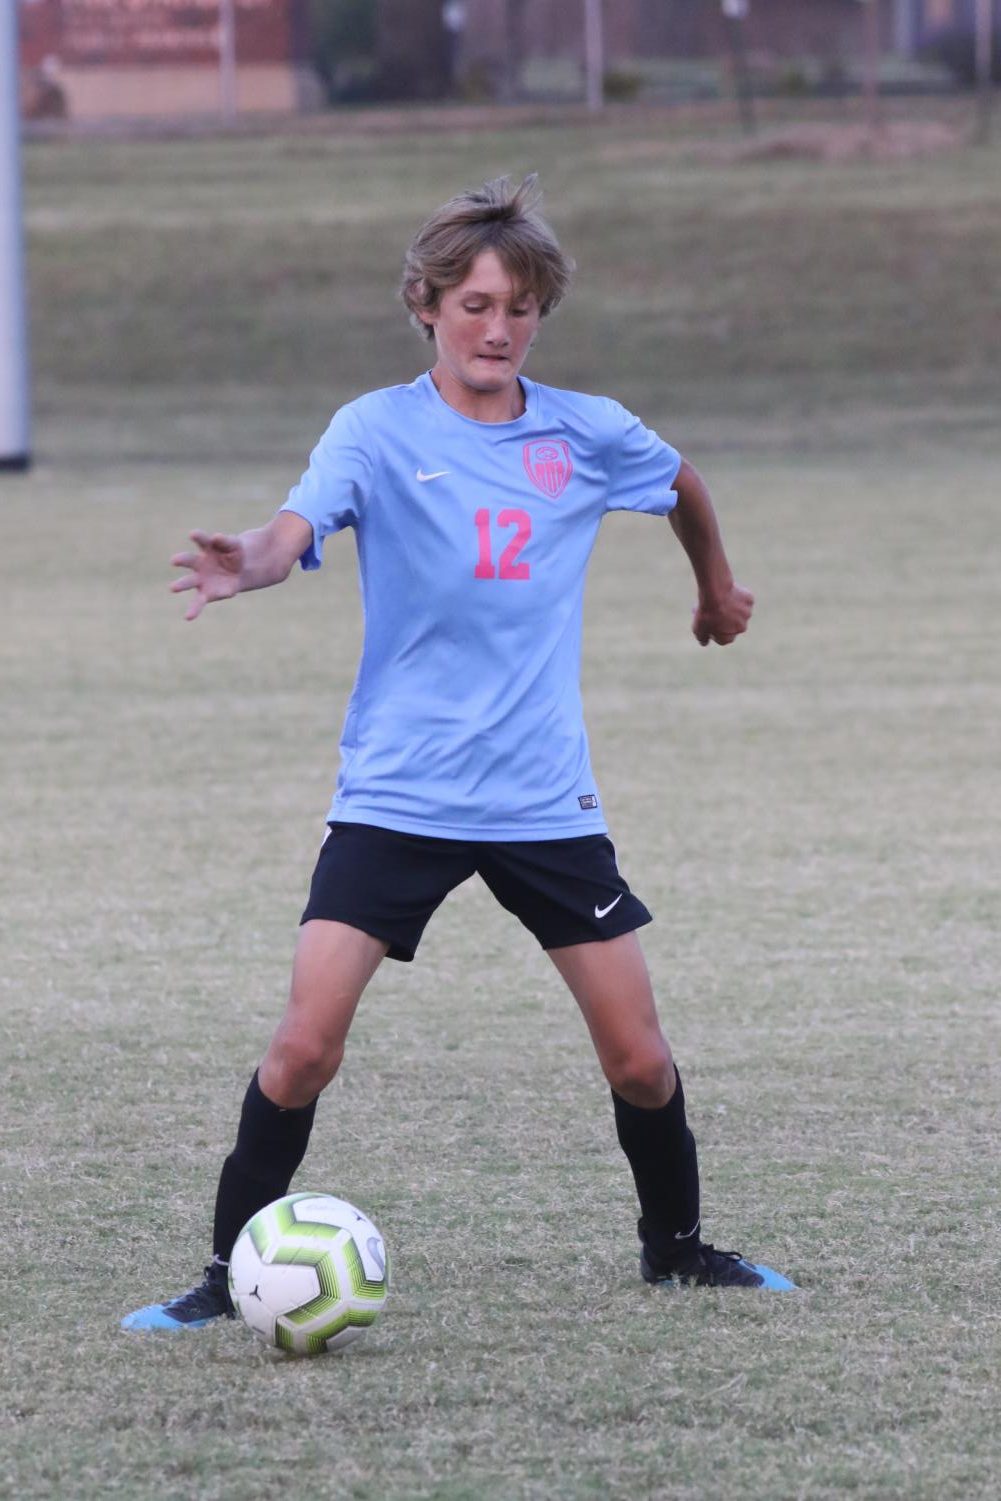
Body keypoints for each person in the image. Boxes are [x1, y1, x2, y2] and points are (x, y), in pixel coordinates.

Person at [123, 175, 791, 1333]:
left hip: (541, 798)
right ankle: (227, 1278)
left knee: (638, 1059)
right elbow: (298, 526)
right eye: (475, 302)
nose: (498, 328)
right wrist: (253, 556)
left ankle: (674, 1251)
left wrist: (713, 586)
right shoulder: (374, 430)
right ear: (425, 305)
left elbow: (676, 479)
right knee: (301, 1046)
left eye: (520, 307)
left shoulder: (583, 431)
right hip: (399, 791)